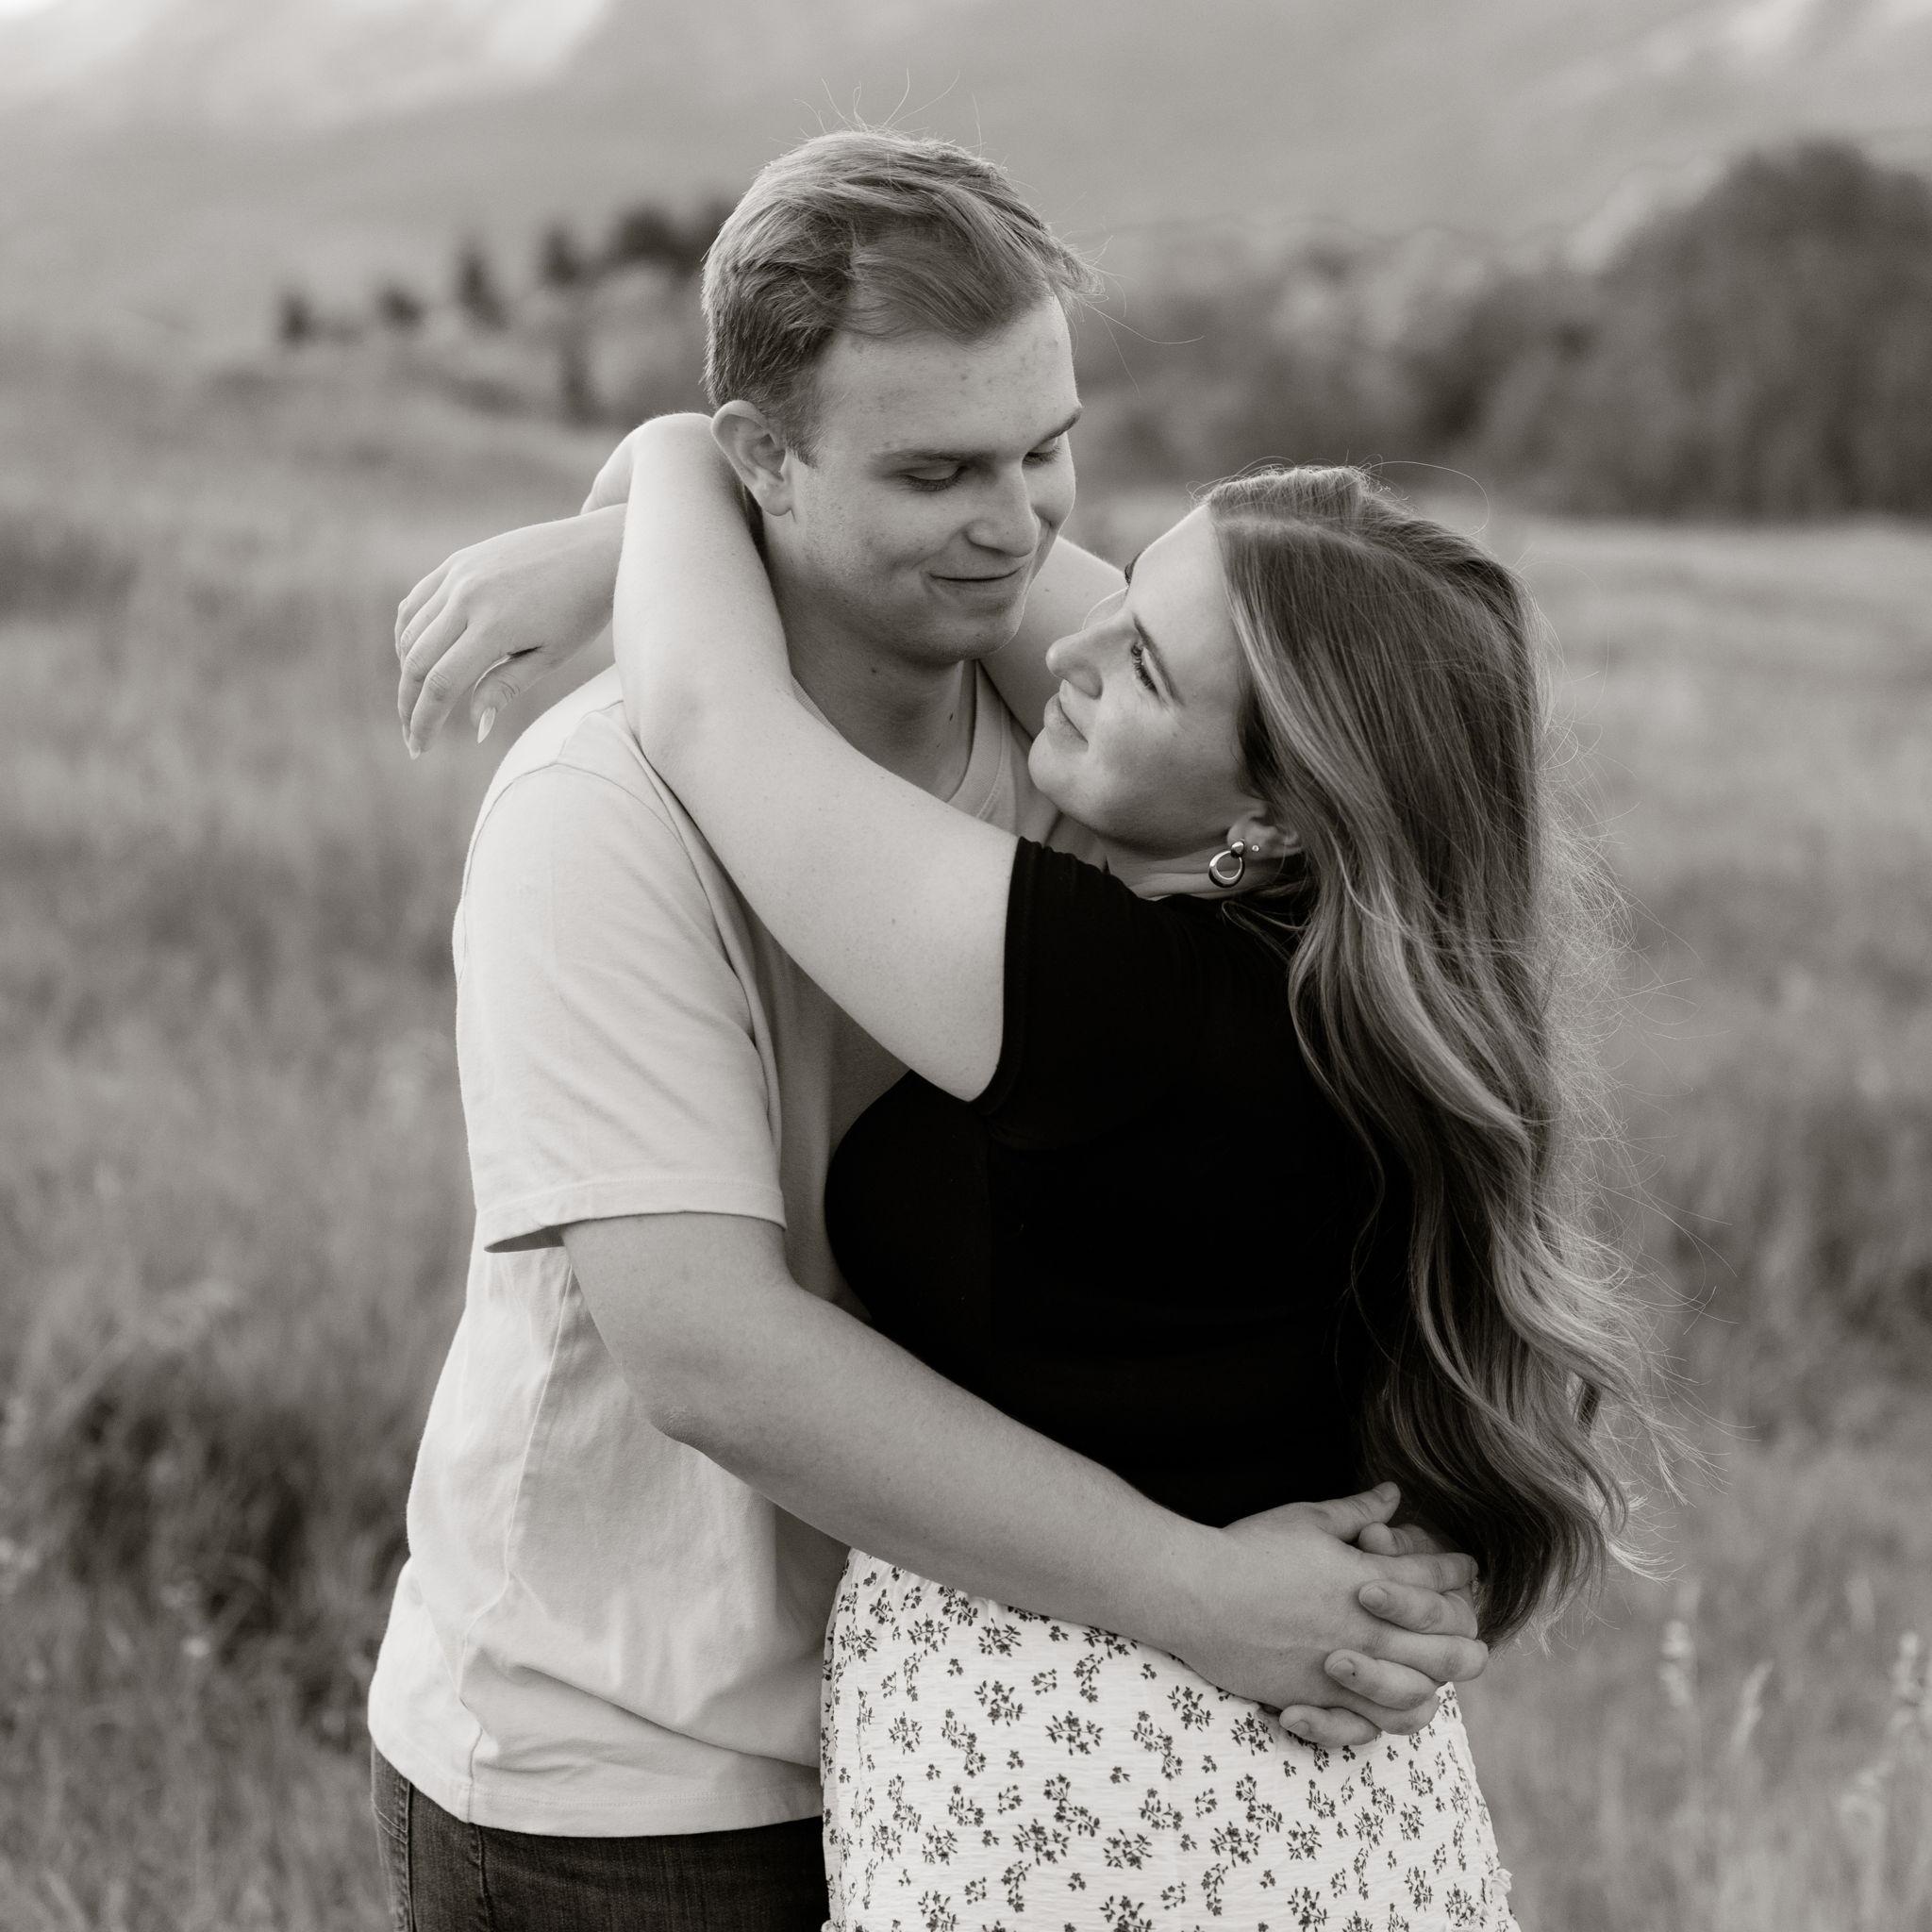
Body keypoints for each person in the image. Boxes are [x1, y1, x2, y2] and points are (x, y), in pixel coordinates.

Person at [375, 129, 1492, 1932]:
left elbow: (1194, 647)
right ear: (768, 460)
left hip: (985, 1739)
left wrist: (652, 496)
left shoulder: (1108, 765)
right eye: (936, 470)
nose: (1026, 528)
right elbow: (711, 1357)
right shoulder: (600, 813)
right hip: (647, 1771)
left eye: (1047, 449)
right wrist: (1190, 1589)